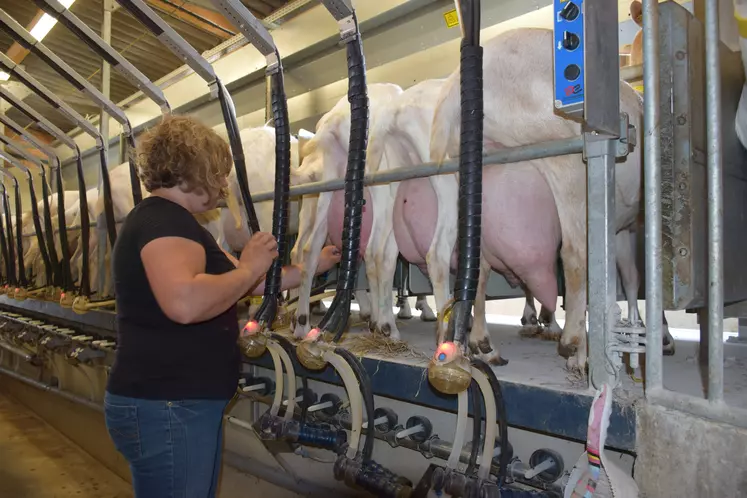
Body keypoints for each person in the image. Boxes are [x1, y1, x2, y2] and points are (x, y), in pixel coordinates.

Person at [103, 115, 340, 498]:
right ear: (196, 171)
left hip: (175, 404)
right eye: (220, 173)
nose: (224, 184)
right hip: (168, 406)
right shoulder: (163, 224)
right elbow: (185, 302)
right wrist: (248, 265)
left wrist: (311, 267)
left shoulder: (177, 224)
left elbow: (250, 281)